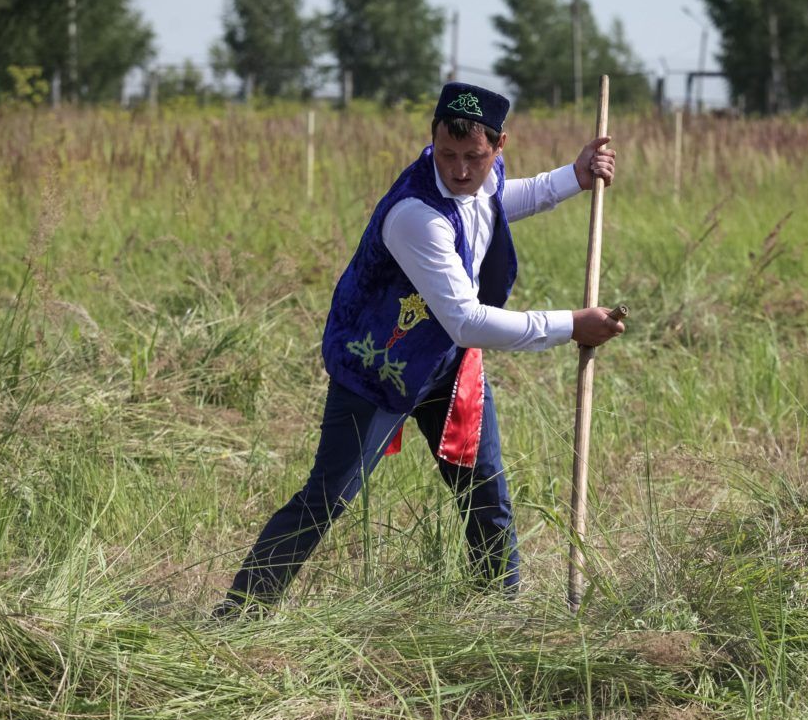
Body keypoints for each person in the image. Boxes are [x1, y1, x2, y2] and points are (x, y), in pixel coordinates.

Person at [213, 82, 622, 619]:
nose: (457, 170)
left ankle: (497, 614)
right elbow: (467, 320)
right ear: (432, 140)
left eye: (473, 158)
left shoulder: (483, 177)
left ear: (499, 145)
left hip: (446, 365)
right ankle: (239, 613)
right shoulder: (415, 215)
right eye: (446, 155)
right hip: (378, 366)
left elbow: (497, 198)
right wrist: (570, 325)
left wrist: (574, 177)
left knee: (485, 492)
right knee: (329, 497)